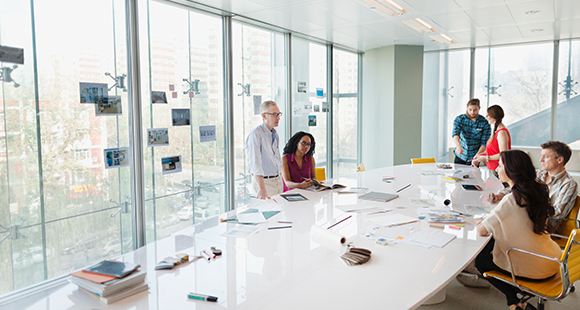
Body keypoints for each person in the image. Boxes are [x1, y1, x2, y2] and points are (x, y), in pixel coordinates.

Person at [473, 150, 561, 310]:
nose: (497, 169)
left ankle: (515, 298)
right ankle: (516, 301)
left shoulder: (512, 199)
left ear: (511, 170)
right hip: (552, 260)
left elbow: (481, 231)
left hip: (535, 269)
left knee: (480, 261)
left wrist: (480, 221)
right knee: (492, 242)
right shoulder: (535, 192)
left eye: (499, 166)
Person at [488, 141, 578, 220]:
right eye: (541, 156)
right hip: (527, 220)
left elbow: (558, 214)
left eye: (545, 157)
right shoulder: (538, 174)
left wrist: (527, 214)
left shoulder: (569, 184)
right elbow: (518, 187)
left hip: (544, 228)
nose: (540, 160)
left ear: (559, 160)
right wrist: (500, 195)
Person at [246, 100, 284, 199]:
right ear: (264, 116)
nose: (278, 118)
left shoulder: (274, 134)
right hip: (264, 183)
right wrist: (262, 188)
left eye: (279, 114)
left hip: (278, 181)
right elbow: (255, 164)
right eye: (274, 115)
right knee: (269, 212)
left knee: (280, 211)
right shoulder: (256, 134)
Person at [472, 105, 511, 177]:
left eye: (487, 115)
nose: (486, 118)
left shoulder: (502, 132)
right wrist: (480, 156)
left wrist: (485, 158)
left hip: (498, 169)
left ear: (494, 116)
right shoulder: (497, 131)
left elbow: (503, 154)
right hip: (493, 169)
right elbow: (493, 151)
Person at [452, 98, 491, 165]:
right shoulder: (459, 119)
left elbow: (484, 142)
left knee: (473, 175)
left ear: (479, 108)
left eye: (475, 110)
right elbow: (455, 134)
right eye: (470, 109)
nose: (472, 112)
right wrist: (458, 146)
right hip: (461, 155)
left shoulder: (485, 122)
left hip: (474, 156)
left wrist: (477, 155)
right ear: (467, 108)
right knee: (457, 175)